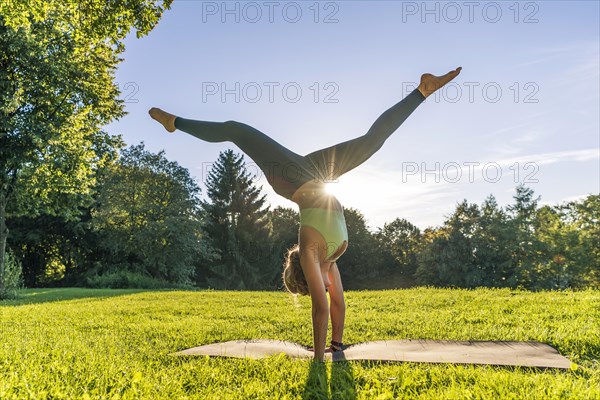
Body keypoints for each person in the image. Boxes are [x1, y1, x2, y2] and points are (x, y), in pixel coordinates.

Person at [149, 67, 462, 361]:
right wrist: (334, 347)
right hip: (316, 172)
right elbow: (336, 303)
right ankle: (422, 91)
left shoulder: (311, 245)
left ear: (306, 271)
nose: (324, 286)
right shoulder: (331, 259)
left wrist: (317, 359)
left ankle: (175, 123)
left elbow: (321, 309)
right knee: (372, 143)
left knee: (237, 131)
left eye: (316, 284)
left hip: (291, 177)